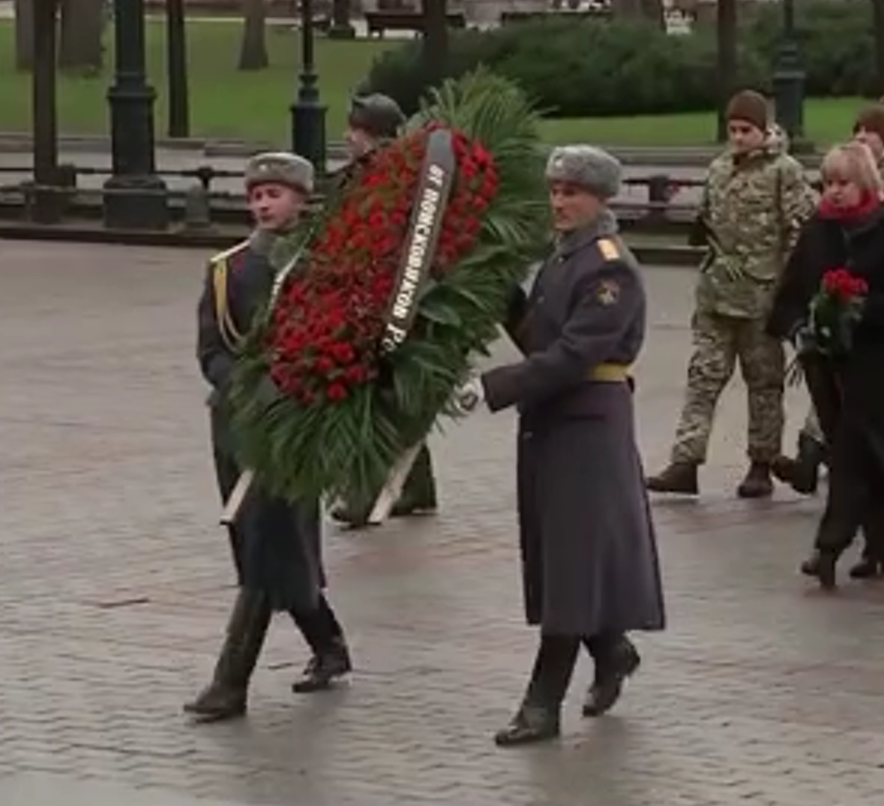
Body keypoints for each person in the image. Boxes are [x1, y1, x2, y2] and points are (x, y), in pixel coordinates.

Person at [456, 145, 665, 747]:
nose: (559, 202)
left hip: (588, 425)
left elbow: (575, 355)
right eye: (554, 191)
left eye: (572, 192)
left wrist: (491, 388)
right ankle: (612, 649)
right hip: (553, 421)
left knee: (572, 562)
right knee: (564, 556)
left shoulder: (608, 267)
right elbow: (538, 338)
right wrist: (495, 290)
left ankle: (541, 705)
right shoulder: (561, 260)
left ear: (601, 197)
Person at [185, 152, 352, 722]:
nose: (262, 204)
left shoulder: (323, 267)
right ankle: (327, 643)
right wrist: (242, 385)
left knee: (266, 541)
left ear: (301, 201)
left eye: (275, 194)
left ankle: (230, 684)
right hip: (235, 422)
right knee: (262, 541)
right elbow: (210, 349)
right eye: (256, 194)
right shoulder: (225, 269)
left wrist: (291, 393)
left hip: (294, 424)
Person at [766, 142, 884, 589]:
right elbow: (791, 292)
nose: (835, 192)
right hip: (829, 366)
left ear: (866, 184)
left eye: (844, 183)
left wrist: (861, 310)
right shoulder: (818, 230)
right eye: (829, 183)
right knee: (856, 456)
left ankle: (828, 547)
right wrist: (802, 327)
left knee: (853, 457)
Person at [646, 90, 814, 499]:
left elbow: (799, 229)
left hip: (762, 296)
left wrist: (791, 288)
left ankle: (762, 461)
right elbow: (707, 223)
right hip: (716, 294)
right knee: (703, 377)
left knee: (763, 382)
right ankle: (685, 461)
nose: (738, 138)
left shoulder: (784, 171)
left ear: (764, 129)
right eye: (733, 129)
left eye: (746, 130)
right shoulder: (719, 168)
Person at [329, 92, 439, 527]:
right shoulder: (356, 177)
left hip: (391, 297)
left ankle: (366, 490)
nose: (347, 137)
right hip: (360, 295)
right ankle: (415, 486)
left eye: (355, 130)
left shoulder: (402, 181)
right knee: (388, 396)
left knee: (375, 399)